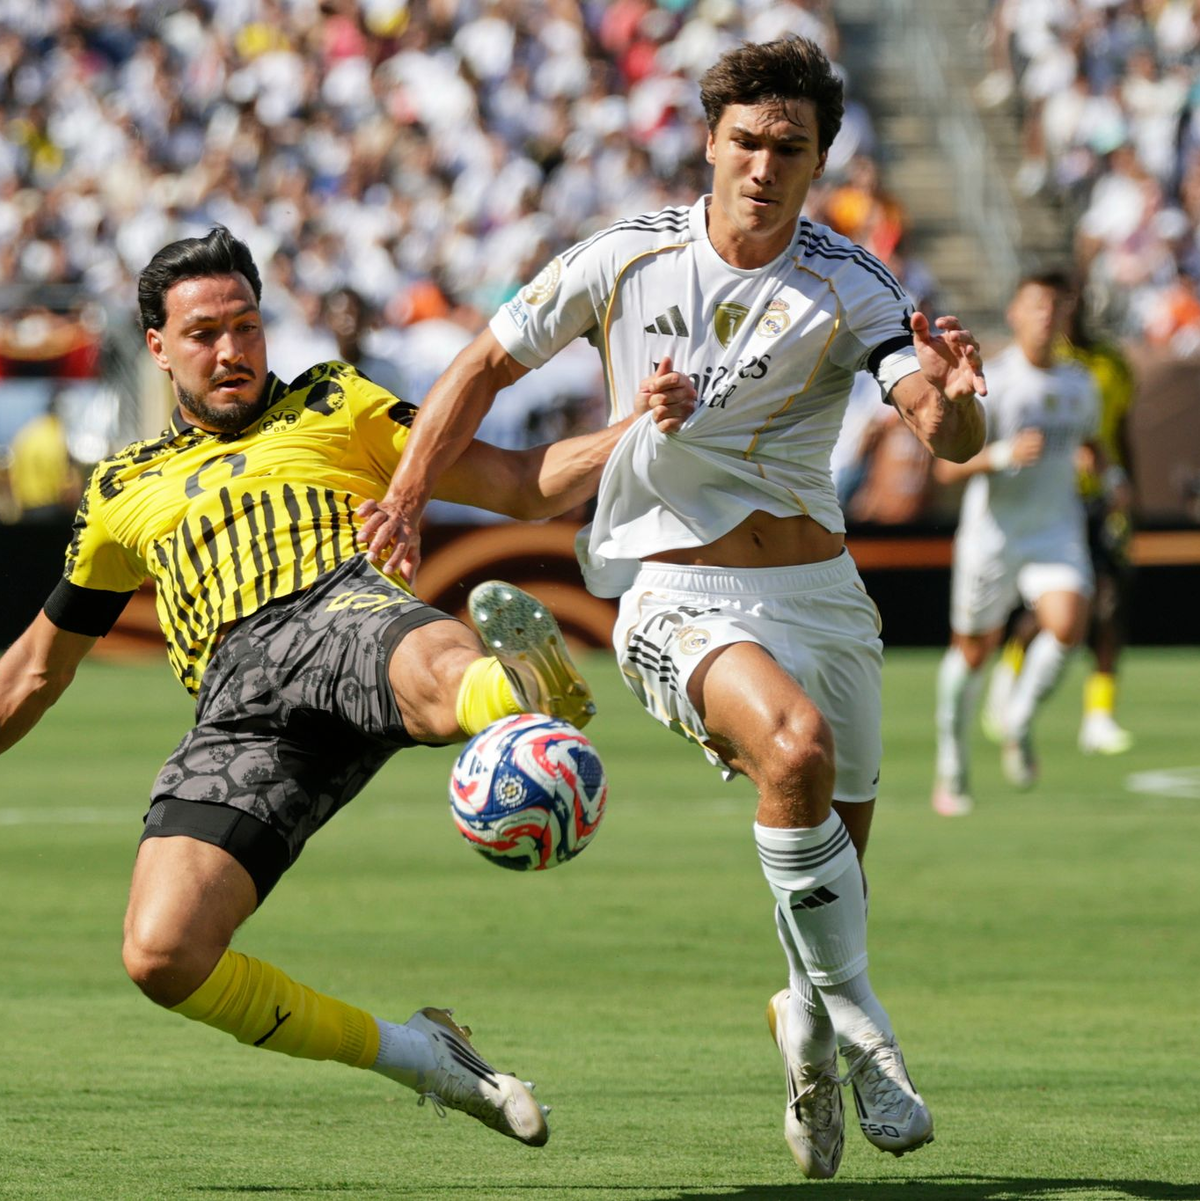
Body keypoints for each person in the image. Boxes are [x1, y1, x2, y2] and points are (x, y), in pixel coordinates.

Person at [356, 37, 987, 1181]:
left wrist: (955, 402)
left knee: (835, 857)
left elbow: (940, 429)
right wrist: (406, 494)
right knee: (792, 748)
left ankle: (804, 1029)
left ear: (818, 160)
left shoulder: (851, 280)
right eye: (745, 140)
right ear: (708, 143)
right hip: (672, 584)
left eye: (789, 147)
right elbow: (481, 366)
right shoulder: (624, 256)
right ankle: (868, 1033)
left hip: (824, 597)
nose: (763, 164)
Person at [0, 226, 689, 1147]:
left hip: (337, 605)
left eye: (246, 325)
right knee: (162, 952)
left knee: (426, 663)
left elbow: (521, 486)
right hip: (239, 712)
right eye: (204, 333)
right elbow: (37, 667)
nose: (232, 350)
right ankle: (426, 1057)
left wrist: (641, 424)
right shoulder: (122, 487)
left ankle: (512, 692)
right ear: (158, 349)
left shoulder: (335, 400)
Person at [931, 271, 1104, 819]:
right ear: (1014, 313)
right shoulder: (996, 380)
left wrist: (1105, 473)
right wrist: (1001, 456)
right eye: (1036, 306)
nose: (1046, 316)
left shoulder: (1081, 384)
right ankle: (952, 767)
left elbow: (1093, 446)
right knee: (972, 654)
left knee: (1069, 624)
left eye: (1055, 307)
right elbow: (946, 471)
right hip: (993, 537)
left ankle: (1018, 721)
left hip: (1056, 532)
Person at [981, 282, 1137, 756]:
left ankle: (1099, 716)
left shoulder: (1112, 366)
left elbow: (1114, 432)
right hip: (1051, 506)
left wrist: (1121, 485)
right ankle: (1008, 679)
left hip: (1095, 504)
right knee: (1041, 617)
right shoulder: (1047, 366)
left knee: (1106, 608)